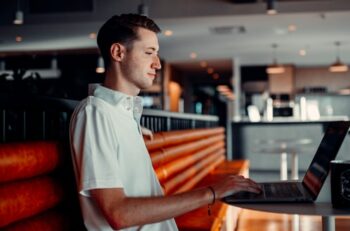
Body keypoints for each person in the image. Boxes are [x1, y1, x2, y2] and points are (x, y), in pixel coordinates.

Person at [69, 13, 261, 231]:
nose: (158, 64)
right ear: (118, 52)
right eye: (149, 53)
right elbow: (118, 213)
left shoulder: (121, 114)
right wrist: (212, 192)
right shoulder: (95, 113)